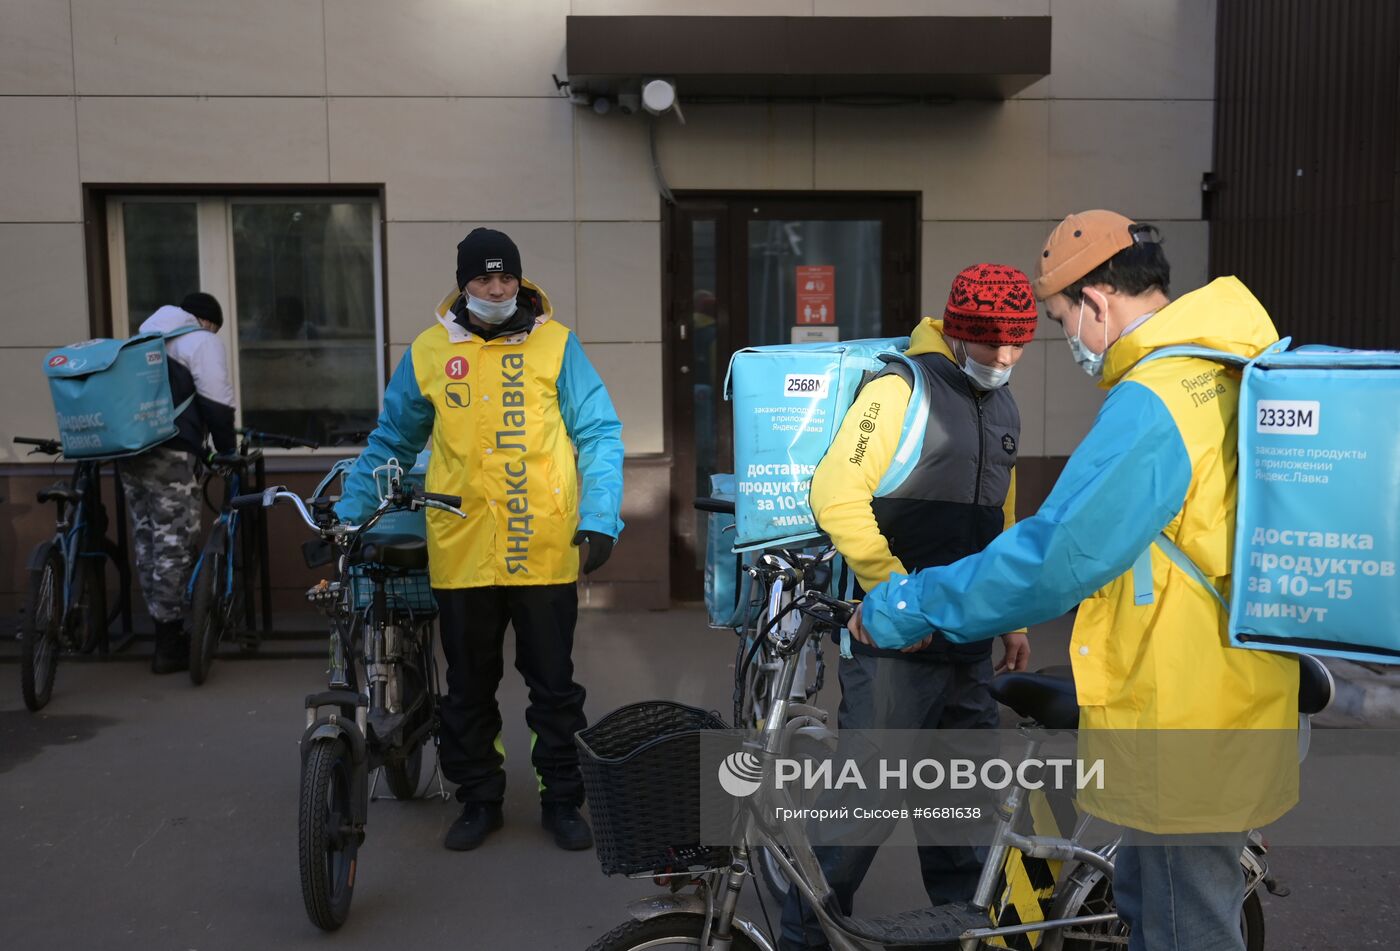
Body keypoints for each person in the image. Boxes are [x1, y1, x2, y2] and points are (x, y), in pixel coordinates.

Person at [850, 212, 1300, 951]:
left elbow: (1054, 556)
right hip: (1223, 693)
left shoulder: (1155, 401)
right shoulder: (1224, 370)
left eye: (1061, 319)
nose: (1068, 339)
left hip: (1181, 713)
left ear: (1095, 301)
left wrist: (909, 603)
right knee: (1155, 918)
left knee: (1185, 930)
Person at [335, 228, 625, 852]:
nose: (497, 289)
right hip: (462, 550)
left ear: (519, 281)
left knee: (554, 686)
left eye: (506, 278)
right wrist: (348, 513)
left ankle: (563, 799)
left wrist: (601, 518)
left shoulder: (557, 346)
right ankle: (479, 799)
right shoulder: (431, 351)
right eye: (484, 279)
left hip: (544, 547)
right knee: (467, 689)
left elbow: (599, 432)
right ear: (463, 283)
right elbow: (393, 440)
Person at [778, 264, 1036, 950]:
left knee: (963, 815)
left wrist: (1009, 612)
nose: (1006, 359)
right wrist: (894, 591)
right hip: (896, 647)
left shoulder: (1002, 404)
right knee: (857, 814)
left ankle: (964, 937)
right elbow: (836, 493)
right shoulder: (899, 389)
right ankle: (801, 936)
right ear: (956, 332)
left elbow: (997, 517)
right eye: (992, 346)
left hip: (968, 645)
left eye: (1018, 345)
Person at [120, 292, 236, 674]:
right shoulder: (200, 341)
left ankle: (161, 631)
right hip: (172, 453)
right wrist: (226, 450)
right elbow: (217, 402)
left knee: (148, 540)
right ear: (206, 322)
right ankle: (169, 644)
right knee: (174, 542)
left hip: (132, 453)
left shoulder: (143, 341)